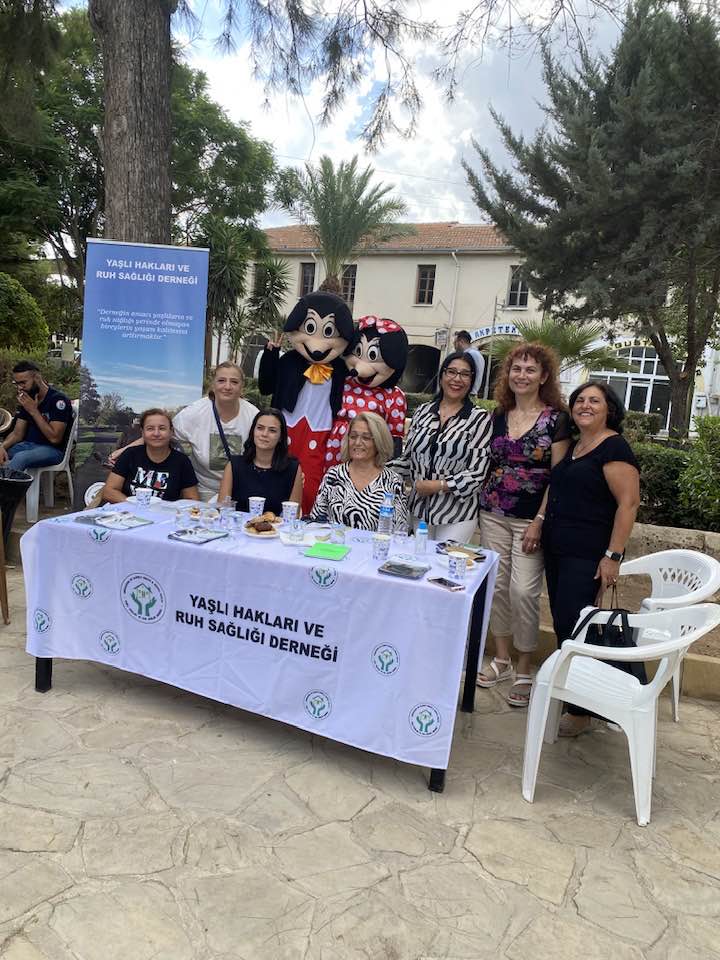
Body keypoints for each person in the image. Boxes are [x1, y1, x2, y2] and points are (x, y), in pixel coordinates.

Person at [542, 382, 640, 736]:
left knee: (578, 628)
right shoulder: (576, 446)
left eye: (594, 401)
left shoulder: (614, 447)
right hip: (558, 550)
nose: (585, 405)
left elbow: (628, 504)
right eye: (579, 400)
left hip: (587, 555)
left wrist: (612, 556)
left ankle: (582, 711)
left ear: (609, 409)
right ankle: (571, 695)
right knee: (564, 623)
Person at [476, 343, 571, 707]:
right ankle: (501, 659)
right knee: (497, 588)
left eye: (530, 369)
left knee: (523, 592)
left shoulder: (556, 420)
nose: (522, 375)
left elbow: (558, 477)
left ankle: (525, 667)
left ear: (544, 376)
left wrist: (540, 520)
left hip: (532, 520)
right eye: (516, 368)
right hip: (493, 513)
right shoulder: (498, 415)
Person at [109, 362, 258, 500]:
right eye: (221, 381)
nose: (227, 386)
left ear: (242, 386)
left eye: (234, 382)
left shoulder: (253, 416)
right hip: (205, 490)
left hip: (240, 488)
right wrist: (124, 450)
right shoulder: (194, 413)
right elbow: (160, 435)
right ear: (213, 384)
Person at [389, 351, 491, 542]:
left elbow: (478, 472)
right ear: (442, 375)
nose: (457, 379)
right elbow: (408, 460)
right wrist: (375, 471)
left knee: (446, 561)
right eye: (451, 372)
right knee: (417, 559)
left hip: (456, 514)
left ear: (472, 380)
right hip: (418, 509)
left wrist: (438, 486)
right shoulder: (423, 412)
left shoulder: (479, 418)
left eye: (465, 374)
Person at [309, 412, 407, 530]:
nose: (357, 443)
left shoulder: (393, 482)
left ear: (379, 442)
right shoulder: (333, 476)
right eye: (353, 436)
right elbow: (315, 524)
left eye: (366, 438)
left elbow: (400, 531)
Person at [102, 409, 199, 503]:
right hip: (129, 511)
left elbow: (192, 498)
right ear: (142, 432)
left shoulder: (182, 461)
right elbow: (109, 491)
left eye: (162, 428)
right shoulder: (130, 455)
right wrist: (136, 506)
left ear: (171, 432)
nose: (156, 433)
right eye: (150, 428)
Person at [218, 408, 302, 515]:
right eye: (260, 428)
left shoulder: (293, 469)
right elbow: (222, 510)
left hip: (276, 526)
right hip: (237, 525)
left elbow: (293, 516)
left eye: (272, 430)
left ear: (281, 437)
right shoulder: (234, 465)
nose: (264, 434)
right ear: (253, 431)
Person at [0, 361, 73, 470]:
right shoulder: (28, 397)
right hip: (27, 446)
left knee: (21, 458)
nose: (19, 388)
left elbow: (55, 438)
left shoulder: (58, 400)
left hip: (52, 450)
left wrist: (33, 411)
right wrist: (2, 447)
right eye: (17, 384)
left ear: (37, 378)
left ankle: (7, 481)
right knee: (3, 454)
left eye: (23, 382)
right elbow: (17, 434)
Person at [453, 331, 485, 396]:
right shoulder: (477, 354)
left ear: (461, 342)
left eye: (455, 342)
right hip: (471, 392)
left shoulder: (469, 355)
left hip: (466, 393)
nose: (454, 346)